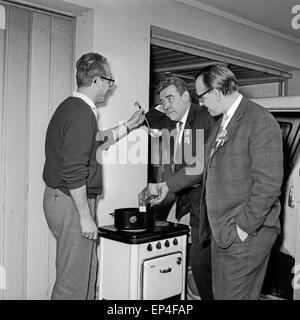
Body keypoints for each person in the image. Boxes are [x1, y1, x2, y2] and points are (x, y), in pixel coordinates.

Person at [42, 52, 144, 300]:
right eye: (109, 82)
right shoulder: (80, 113)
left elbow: (95, 141)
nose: (110, 88)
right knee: (72, 283)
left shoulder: (74, 108)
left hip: (63, 198)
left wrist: (128, 125)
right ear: (97, 80)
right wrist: (85, 217)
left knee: (86, 270)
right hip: (71, 200)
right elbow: (74, 170)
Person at [191, 64, 284, 299]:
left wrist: (243, 228)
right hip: (224, 230)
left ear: (217, 93)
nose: (200, 103)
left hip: (245, 232)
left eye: (201, 97)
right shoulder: (222, 122)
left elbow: (268, 184)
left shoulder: (259, 120)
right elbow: (205, 165)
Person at [147, 76, 216, 299]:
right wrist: (165, 105)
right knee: (199, 262)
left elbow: (204, 163)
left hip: (210, 202)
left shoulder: (205, 117)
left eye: (171, 98)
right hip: (192, 201)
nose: (166, 105)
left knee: (204, 264)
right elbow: (149, 117)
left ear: (186, 96)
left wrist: (169, 185)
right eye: (162, 100)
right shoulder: (171, 120)